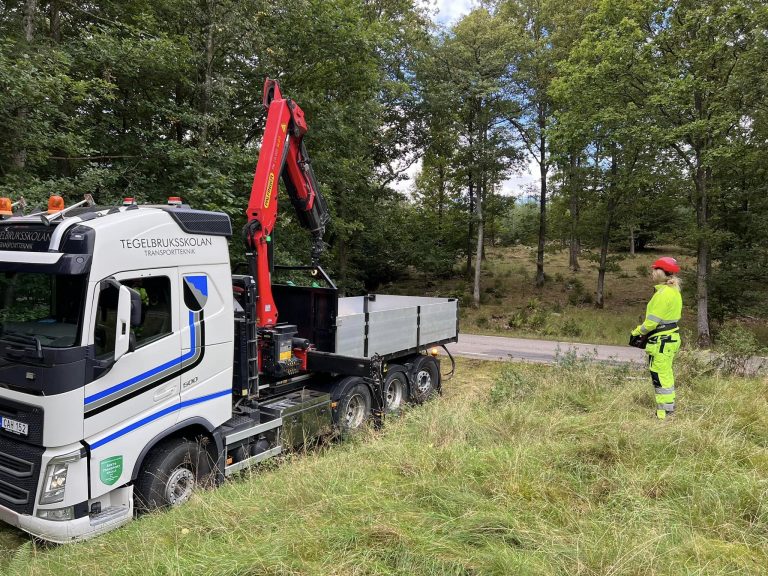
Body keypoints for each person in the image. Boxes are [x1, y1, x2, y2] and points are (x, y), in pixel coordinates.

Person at [629, 257, 682, 420]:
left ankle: (663, 414)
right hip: (670, 338)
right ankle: (668, 409)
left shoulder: (663, 293)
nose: (652, 273)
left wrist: (636, 332)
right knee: (666, 375)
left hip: (661, 340)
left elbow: (651, 322)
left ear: (660, 272)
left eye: (654, 270)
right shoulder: (673, 291)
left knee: (659, 376)